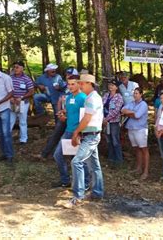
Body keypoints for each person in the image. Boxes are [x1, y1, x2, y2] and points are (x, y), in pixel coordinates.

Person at [63, 73, 104, 208]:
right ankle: (97, 192)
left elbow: (87, 118)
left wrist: (76, 132)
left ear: (89, 84)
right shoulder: (92, 97)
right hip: (91, 134)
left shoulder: (91, 99)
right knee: (94, 165)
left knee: (77, 161)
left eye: (82, 83)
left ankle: (78, 196)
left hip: (91, 135)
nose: (80, 85)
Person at [52, 75, 86, 188]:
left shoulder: (83, 98)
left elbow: (85, 116)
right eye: (69, 84)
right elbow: (70, 111)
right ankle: (65, 180)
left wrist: (79, 133)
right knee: (58, 155)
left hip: (77, 132)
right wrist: (63, 114)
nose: (70, 86)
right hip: (68, 130)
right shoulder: (69, 97)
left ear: (79, 84)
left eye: (73, 84)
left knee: (79, 159)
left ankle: (85, 183)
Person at [122, 87, 149, 180]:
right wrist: (132, 113)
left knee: (143, 149)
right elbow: (123, 110)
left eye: (137, 93)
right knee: (136, 149)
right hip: (131, 128)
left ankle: (145, 171)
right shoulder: (131, 103)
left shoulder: (143, 104)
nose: (135, 95)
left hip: (140, 129)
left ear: (141, 94)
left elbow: (137, 116)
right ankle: (138, 168)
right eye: (134, 93)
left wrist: (129, 113)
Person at [9, 61, 34, 144]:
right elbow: (6, 89)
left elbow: (31, 91)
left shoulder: (26, 79)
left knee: (22, 121)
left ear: (22, 68)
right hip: (12, 102)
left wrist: (22, 98)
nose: (15, 69)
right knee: (10, 121)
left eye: (17, 67)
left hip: (23, 103)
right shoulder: (10, 78)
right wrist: (11, 98)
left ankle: (23, 139)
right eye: (14, 67)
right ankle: (7, 138)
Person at [102, 79, 124, 165]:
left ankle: (119, 160)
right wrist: (103, 119)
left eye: (112, 85)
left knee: (115, 140)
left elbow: (116, 111)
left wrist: (106, 119)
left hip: (114, 122)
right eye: (109, 85)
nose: (110, 86)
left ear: (116, 87)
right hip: (105, 122)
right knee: (109, 140)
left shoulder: (119, 97)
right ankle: (111, 158)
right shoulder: (106, 95)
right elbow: (100, 106)